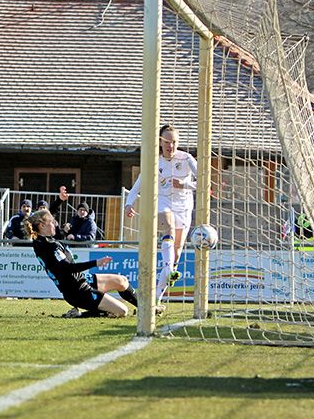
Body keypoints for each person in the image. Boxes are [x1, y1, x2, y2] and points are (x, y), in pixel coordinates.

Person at [125, 123, 197, 309]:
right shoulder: (154, 163)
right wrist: (128, 204)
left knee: (176, 254)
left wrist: (184, 184)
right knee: (168, 225)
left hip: (184, 207)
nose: (170, 146)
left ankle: (156, 298)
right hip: (163, 203)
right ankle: (168, 269)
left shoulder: (187, 159)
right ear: (160, 141)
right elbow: (137, 186)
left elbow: (206, 183)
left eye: (173, 142)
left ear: (177, 142)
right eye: (166, 141)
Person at [24, 209, 137, 318]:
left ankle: (146, 309)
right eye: (52, 222)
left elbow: (45, 215)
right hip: (78, 292)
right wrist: (96, 263)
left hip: (82, 280)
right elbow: (68, 268)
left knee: (122, 281)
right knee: (122, 311)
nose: (55, 224)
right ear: (42, 226)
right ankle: (77, 315)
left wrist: (59, 200)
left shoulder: (42, 240)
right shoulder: (47, 246)